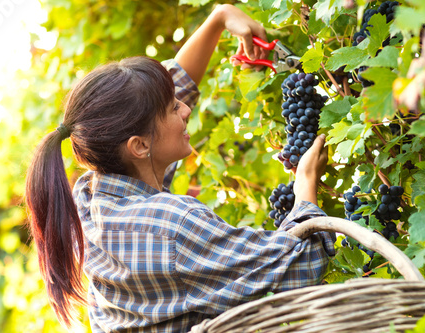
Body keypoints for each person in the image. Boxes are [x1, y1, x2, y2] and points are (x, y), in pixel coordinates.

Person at [25, 4, 334, 332]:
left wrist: (218, 18)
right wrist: (305, 186)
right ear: (139, 146)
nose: (186, 109)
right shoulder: (173, 226)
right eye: (173, 107)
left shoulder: (91, 197)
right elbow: (302, 263)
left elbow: (167, 89)